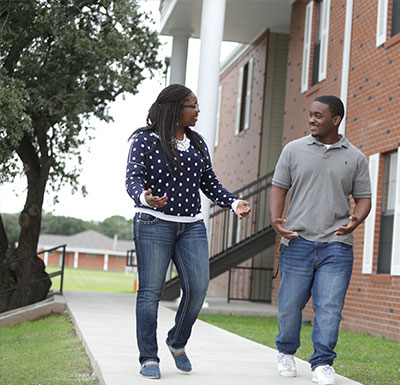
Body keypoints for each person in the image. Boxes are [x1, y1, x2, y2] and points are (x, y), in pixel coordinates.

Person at [126, 83, 251, 379]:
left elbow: (210, 183)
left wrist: (234, 203)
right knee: (150, 293)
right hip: (153, 223)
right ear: (174, 108)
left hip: (191, 226)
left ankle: (176, 341)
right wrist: (145, 197)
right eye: (192, 106)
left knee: (197, 289)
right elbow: (133, 178)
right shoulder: (145, 140)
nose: (197, 111)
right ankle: (148, 358)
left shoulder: (197, 143)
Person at [268, 95, 371, 385]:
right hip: (297, 241)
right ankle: (286, 352)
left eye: (318, 116)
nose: (312, 120)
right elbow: (279, 188)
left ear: (335, 120)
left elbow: (364, 199)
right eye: (310, 115)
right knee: (289, 305)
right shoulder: (293, 150)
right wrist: (277, 220)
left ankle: (323, 363)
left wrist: (356, 220)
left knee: (329, 309)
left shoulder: (356, 157)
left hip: (337, 246)